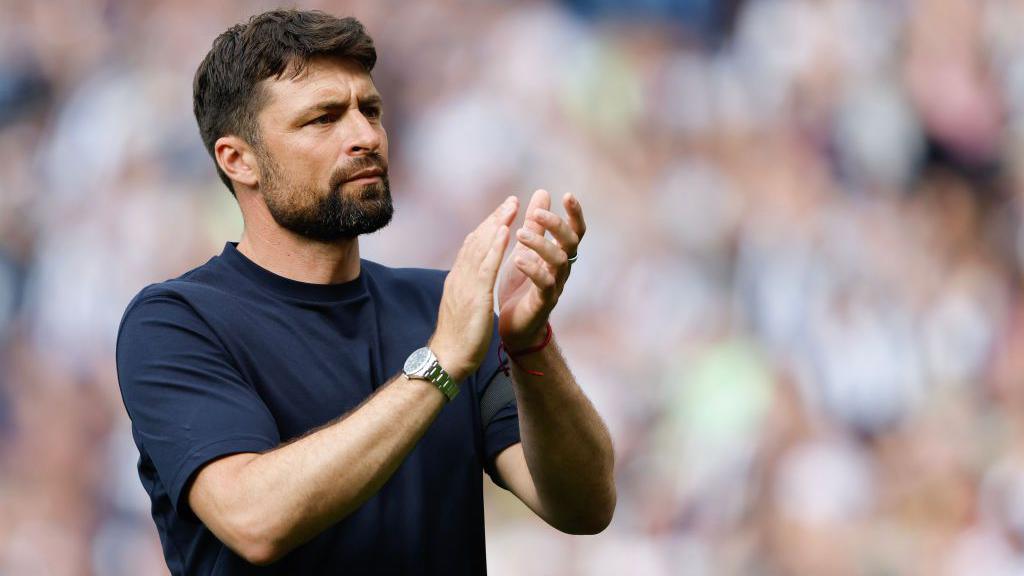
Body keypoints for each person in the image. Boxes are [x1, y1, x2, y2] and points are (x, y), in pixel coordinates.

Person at [114, 8, 616, 575]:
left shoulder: (440, 306)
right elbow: (255, 520)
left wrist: (529, 347)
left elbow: (586, 506)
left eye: (370, 110)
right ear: (239, 159)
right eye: (323, 119)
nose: (365, 136)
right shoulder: (177, 323)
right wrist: (440, 363)